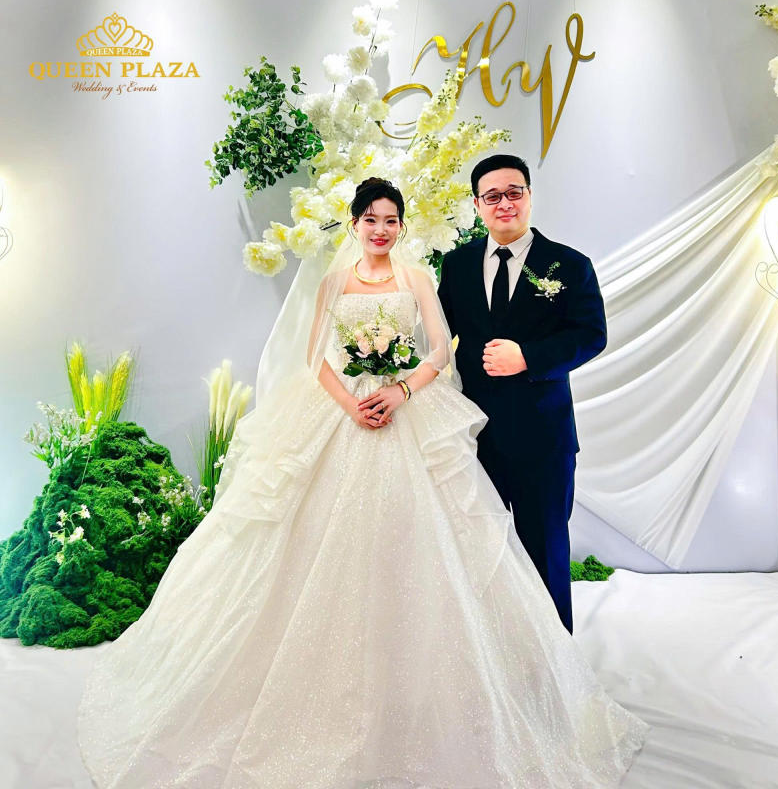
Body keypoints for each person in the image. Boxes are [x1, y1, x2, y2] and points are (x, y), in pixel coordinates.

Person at [77, 178, 647, 788]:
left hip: (414, 410)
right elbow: (314, 356)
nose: (381, 229)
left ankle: (530, 681)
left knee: (439, 543)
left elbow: (440, 351)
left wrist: (400, 390)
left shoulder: (422, 277)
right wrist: (352, 404)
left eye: (391, 219)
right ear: (354, 224)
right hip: (342, 412)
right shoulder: (336, 281)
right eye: (370, 219)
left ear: (402, 226)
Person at [438, 154, 607, 635]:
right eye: (492, 196)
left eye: (514, 192)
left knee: (545, 550)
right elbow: (436, 335)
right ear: (477, 205)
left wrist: (528, 356)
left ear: (529, 196)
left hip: (543, 438)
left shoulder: (569, 264)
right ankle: (495, 655)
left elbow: (591, 335)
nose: (504, 203)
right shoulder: (457, 264)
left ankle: (556, 661)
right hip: (474, 438)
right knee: (481, 551)